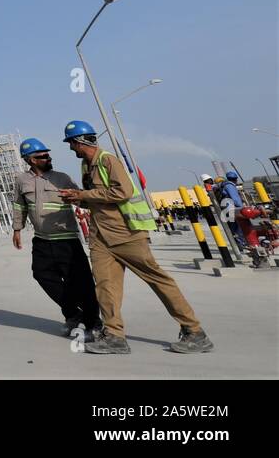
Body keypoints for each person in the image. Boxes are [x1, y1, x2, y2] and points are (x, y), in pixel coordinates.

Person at [57, 121, 212, 354]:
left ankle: (194, 331)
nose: (71, 149)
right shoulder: (86, 166)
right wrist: (78, 199)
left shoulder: (108, 160)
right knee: (105, 287)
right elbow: (97, 199)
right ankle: (114, 336)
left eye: (72, 144)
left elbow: (122, 192)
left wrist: (83, 194)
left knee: (157, 280)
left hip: (126, 234)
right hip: (100, 236)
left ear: (80, 142)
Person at [12, 137, 101, 337]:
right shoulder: (21, 181)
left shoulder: (62, 178)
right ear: (31, 160)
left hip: (66, 238)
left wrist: (84, 199)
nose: (48, 157)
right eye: (42, 156)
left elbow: (83, 200)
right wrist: (17, 230)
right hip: (42, 239)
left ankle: (93, 322)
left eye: (47, 154)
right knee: (41, 274)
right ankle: (72, 314)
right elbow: (19, 206)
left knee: (81, 281)